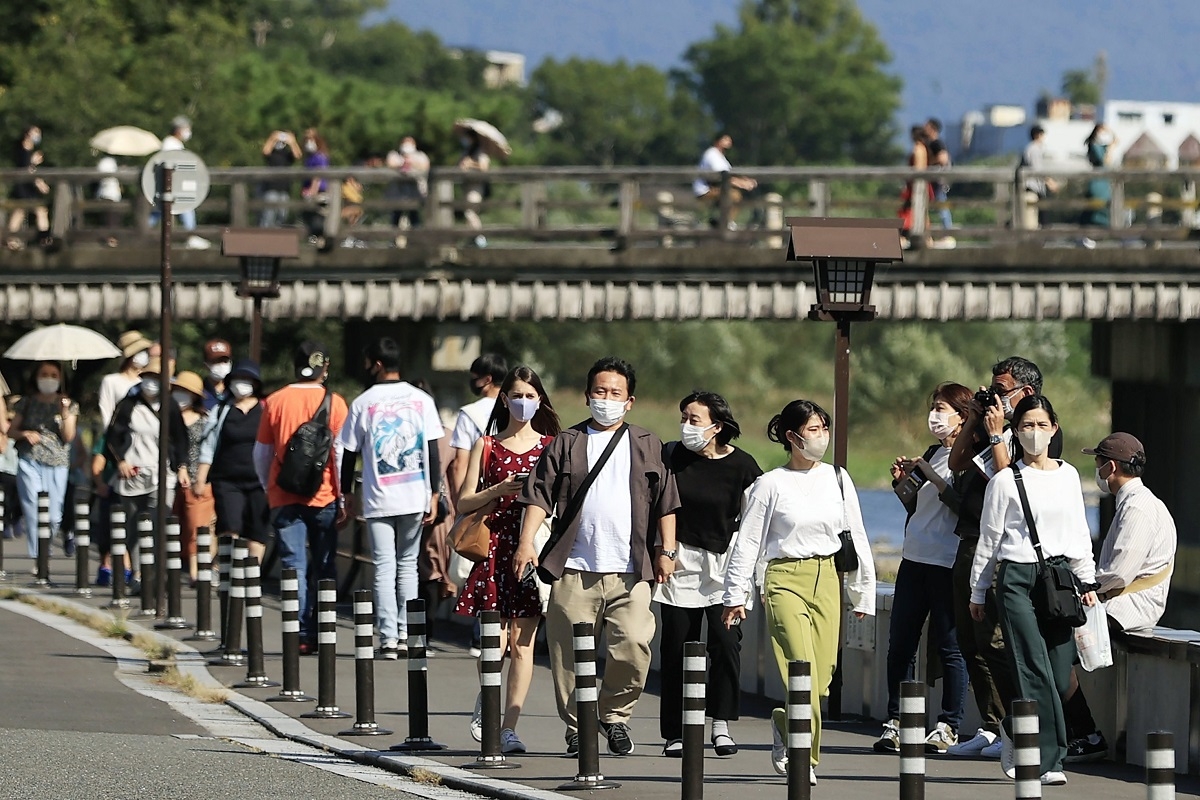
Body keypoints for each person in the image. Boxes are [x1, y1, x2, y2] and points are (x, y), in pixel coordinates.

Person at [514, 356, 680, 757]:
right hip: (574, 569)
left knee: (635, 645)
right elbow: (539, 496)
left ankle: (613, 716)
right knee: (567, 655)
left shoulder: (646, 444)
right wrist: (526, 543)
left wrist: (667, 550)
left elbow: (666, 504)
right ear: (588, 396)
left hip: (631, 570)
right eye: (600, 391)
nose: (607, 398)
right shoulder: (566, 443)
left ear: (629, 401)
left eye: (615, 393)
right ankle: (576, 727)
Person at [721, 399, 875, 785]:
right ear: (791, 437)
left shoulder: (838, 478)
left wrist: (862, 592)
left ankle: (783, 723)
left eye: (824, 429)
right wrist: (735, 595)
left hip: (826, 577)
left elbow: (855, 534)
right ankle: (806, 758)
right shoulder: (769, 485)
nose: (820, 437)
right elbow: (748, 542)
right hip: (784, 580)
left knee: (820, 679)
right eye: (812, 430)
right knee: (800, 669)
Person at [969, 395, 1098, 787]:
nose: (1035, 433)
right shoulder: (1005, 480)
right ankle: (1049, 759)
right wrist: (977, 593)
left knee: (1059, 674)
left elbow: (1078, 530)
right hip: (1015, 579)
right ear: (1015, 432)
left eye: (1042, 425)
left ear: (1054, 429)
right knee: (1031, 666)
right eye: (1027, 426)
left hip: (1058, 578)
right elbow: (989, 540)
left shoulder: (1069, 475)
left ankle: (1013, 725)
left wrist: (1087, 580)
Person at [945, 355, 1060, 758]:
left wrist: (997, 435)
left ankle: (1018, 727)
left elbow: (1012, 482)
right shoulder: (991, 426)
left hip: (1007, 547)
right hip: (972, 539)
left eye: (1001, 390)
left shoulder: (1036, 433)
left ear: (1025, 392)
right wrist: (976, 420)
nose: (995, 397)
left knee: (997, 641)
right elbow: (956, 462)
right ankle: (992, 726)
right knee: (969, 638)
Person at [454, 365, 562, 754]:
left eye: (531, 396)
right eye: (517, 395)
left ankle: (509, 727)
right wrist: (496, 489)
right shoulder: (487, 445)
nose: (523, 402)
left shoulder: (551, 445)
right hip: (494, 546)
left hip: (530, 547)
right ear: (504, 398)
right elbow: (464, 500)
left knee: (523, 643)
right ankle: (488, 700)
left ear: (540, 400)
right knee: (494, 641)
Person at [654, 391, 762, 758]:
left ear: (717, 426)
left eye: (694, 419)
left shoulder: (743, 467)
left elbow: (755, 523)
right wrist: (661, 551)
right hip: (679, 562)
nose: (686, 426)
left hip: (724, 567)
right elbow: (656, 504)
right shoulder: (671, 456)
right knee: (676, 649)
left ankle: (721, 724)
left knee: (726, 646)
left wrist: (750, 575)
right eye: (683, 417)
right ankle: (675, 731)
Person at [1061, 432, 1176, 763]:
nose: (1096, 468)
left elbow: (1119, 574)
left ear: (1110, 466)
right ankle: (1075, 732)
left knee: (1057, 651)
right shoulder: (1135, 502)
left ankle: (1086, 734)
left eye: (1098, 461)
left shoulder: (1138, 508)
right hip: (1119, 601)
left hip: (1130, 606)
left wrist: (1082, 586)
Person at [874, 383, 970, 755]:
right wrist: (902, 482)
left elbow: (965, 507)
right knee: (900, 644)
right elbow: (915, 508)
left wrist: (931, 474)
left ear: (963, 417)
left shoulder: (969, 459)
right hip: (914, 558)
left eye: (943, 408)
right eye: (933, 407)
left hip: (947, 563)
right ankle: (897, 721)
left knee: (950, 647)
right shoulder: (932, 453)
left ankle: (949, 725)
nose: (935, 416)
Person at [336, 338, 445, 659]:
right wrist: (435, 493)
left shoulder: (363, 402)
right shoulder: (421, 400)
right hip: (414, 496)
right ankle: (407, 633)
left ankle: (386, 638)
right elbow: (433, 451)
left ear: (377, 364)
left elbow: (348, 454)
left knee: (384, 566)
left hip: (378, 497)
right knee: (408, 566)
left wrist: (346, 493)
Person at [254, 342, 348, 653]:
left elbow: (262, 453)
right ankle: (324, 629)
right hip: (324, 497)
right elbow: (339, 455)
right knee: (324, 565)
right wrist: (343, 498)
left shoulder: (274, 401)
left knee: (292, 565)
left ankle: (300, 635)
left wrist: (270, 487)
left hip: (284, 496)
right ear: (325, 367)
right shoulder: (335, 403)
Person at [106, 357, 190, 588]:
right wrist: (120, 461)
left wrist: (181, 466)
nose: (151, 383)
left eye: (156, 378)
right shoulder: (128, 404)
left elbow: (181, 438)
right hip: (132, 474)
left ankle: (152, 576)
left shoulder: (170, 405)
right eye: (148, 378)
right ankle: (136, 574)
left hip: (162, 474)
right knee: (134, 528)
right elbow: (112, 436)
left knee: (158, 523)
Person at [197, 360, 270, 565]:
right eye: (237, 379)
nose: (241, 384)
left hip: (260, 481)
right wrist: (201, 478)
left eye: (246, 380)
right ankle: (229, 572)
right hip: (227, 480)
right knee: (230, 525)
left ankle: (251, 576)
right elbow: (208, 446)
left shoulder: (266, 410)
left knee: (257, 530)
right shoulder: (221, 411)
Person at [9, 362, 78, 559]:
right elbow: (11, 431)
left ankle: (46, 543)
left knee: (54, 514)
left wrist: (64, 414)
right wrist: (25, 434)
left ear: (60, 378)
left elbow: (69, 437)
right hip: (29, 459)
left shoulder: (69, 405)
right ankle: (38, 555)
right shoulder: (27, 402)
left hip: (57, 462)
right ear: (36, 377)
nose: (48, 378)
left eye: (53, 374)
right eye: (44, 374)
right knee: (32, 506)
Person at [448, 354, 508, 508]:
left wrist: (459, 503)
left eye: (475, 377)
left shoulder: (469, 413)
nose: (472, 382)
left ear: (487, 379)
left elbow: (460, 464)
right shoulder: (515, 409)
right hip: (511, 488)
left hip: (480, 494)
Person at [170, 371, 213, 583]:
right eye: (178, 391)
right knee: (173, 526)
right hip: (168, 478)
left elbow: (210, 449)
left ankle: (196, 571)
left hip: (196, 480)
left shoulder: (205, 420)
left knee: (196, 526)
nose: (181, 395)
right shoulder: (165, 416)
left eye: (186, 392)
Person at [156, 115, 209, 250]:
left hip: (174, 184)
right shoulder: (170, 144)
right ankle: (190, 236)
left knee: (161, 211)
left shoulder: (174, 144)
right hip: (172, 184)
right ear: (179, 130)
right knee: (186, 207)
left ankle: (190, 235)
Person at [693, 133, 757, 230]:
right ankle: (726, 223)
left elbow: (730, 174)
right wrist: (743, 184)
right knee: (734, 195)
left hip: (714, 188)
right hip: (704, 190)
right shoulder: (712, 154)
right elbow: (723, 177)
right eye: (725, 139)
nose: (729, 141)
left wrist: (745, 180)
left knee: (734, 195)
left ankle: (721, 221)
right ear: (718, 141)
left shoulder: (720, 156)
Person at [7, 125, 51, 250]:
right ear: (27, 134)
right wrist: (39, 182)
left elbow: (31, 170)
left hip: (28, 186)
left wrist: (39, 181)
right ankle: (12, 239)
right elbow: (25, 169)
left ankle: (43, 238)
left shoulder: (30, 150)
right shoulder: (23, 149)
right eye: (35, 133)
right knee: (21, 211)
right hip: (23, 185)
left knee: (37, 210)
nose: (38, 136)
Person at [99, 332, 153, 428]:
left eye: (145, 351)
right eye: (139, 351)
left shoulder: (148, 382)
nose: (144, 355)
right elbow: (106, 410)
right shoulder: (111, 381)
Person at [385, 135, 430, 234]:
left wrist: (411, 163)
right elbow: (390, 164)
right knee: (395, 219)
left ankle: (416, 242)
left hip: (415, 194)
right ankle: (393, 242)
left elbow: (425, 166)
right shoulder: (394, 155)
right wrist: (402, 164)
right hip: (397, 195)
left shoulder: (420, 156)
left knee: (415, 219)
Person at [260, 129, 302, 228]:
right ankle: (263, 239)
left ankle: (278, 241)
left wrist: (292, 141)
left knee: (282, 216)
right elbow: (265, 151)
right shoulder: (272, 153)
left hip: (285, 189)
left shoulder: (287, 154)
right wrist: (273, 138)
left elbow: (298, 155)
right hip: (271, 188)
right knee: (268, 216)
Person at [1019, 125, 1058, 230]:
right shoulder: (1034, 149)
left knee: (1039, 216)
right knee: (1035, 218)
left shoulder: (1032, 149)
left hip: (1035, 187)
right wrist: (1050, 181)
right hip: (1033, 187)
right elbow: (1037, 169)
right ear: (1037, 135)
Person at [458, 129, 490, 248]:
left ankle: (480, 237)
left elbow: (484, 167)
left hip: (476, 186)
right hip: (467, 185)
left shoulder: (481, 151)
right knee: (469, 212)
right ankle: (472, 238)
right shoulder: (467, 151)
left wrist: (471, 164)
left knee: (470, 212)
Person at [1081, 124, 1116, 232]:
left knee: (1106, 205)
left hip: (1105, 181)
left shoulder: (1102, 146)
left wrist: (1110, 131)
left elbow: (1116, 141)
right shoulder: (1094, 146)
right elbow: (1104, 161)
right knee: (1096, 206)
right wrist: (1110, 150)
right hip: (1098, 181)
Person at [300, 128, 331, 242]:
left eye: (311, 139)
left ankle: (320, 240)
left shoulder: (320, 156)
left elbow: (317, 176)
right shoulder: (308, 158)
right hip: (308, 191)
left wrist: (312, 192)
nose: (308, 142)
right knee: (308, 219)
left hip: (319, 192)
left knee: (318, 219)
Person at [924, 118, 954, 230]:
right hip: (937, 179)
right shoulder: (935, 143)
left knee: (941, 204)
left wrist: (928, 163)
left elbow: (943, 159)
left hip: (938, 179)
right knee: (940, 204)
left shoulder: (937, 143)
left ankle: (947, 230)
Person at [201, 338, 233, 411]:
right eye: (216, 361)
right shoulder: (199, 391)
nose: (221, 365)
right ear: (206, 365)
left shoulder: (235, 391)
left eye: (225, 361)